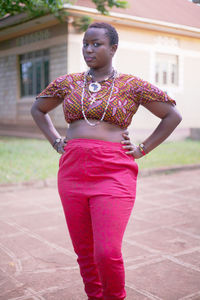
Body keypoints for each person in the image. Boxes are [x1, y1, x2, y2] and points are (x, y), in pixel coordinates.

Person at [31, 22, 182, 300]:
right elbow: (38, 109)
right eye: (85, 44)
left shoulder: (132, 85)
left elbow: (172, 116)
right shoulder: (68, 82)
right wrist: (55, 140)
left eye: (96, 44)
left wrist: (143, 148)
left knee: (107, 251)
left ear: (113, 48)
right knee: (84, 252)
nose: (89, 49)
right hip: (73, 170)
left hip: (114, 171)